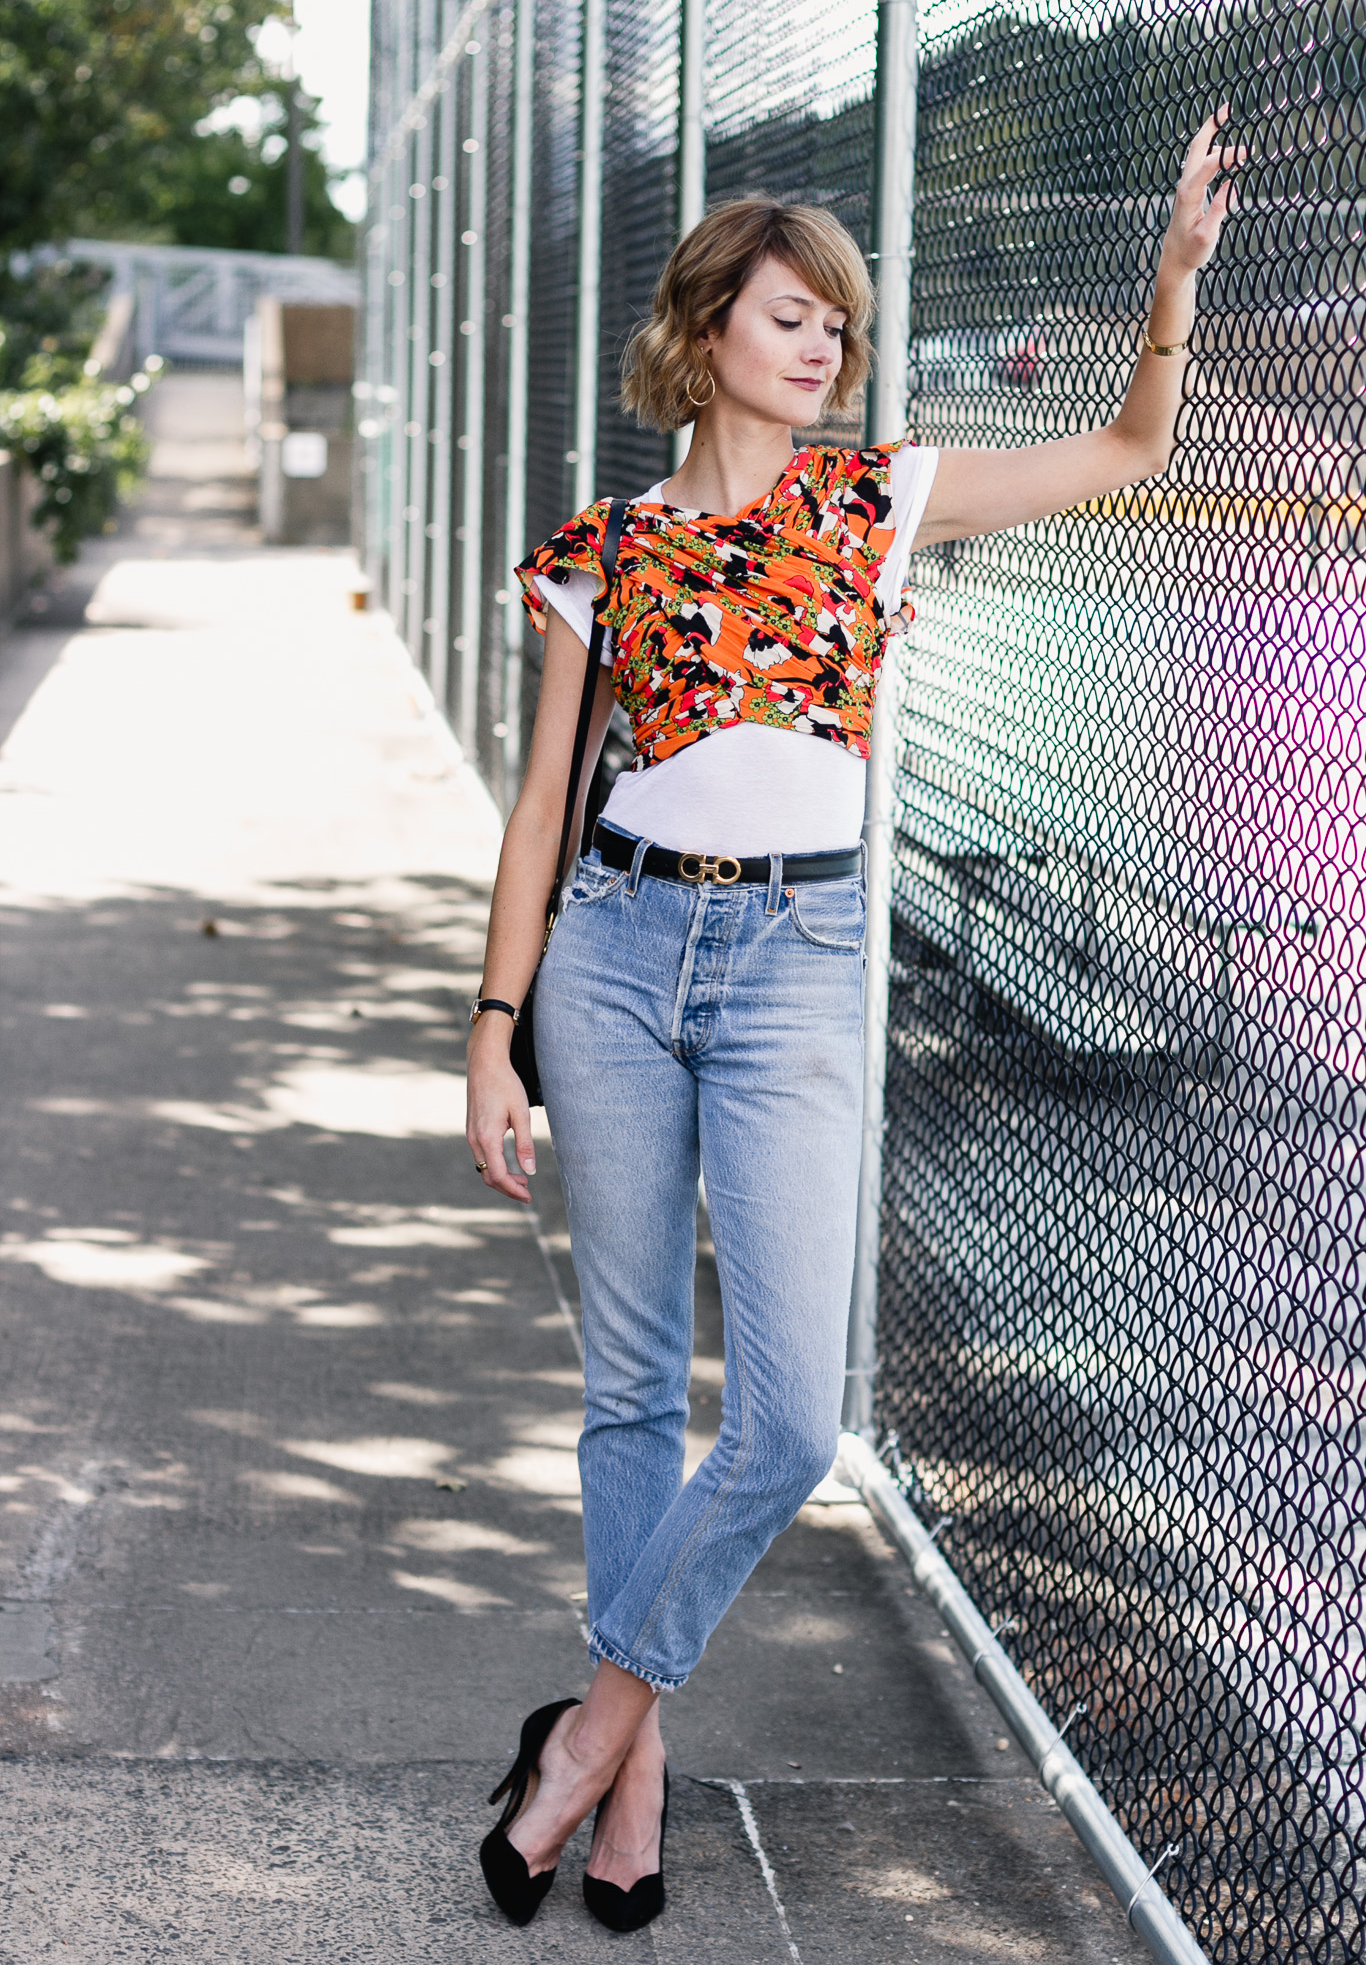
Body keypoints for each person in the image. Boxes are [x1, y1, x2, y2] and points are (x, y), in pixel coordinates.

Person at [466, 109, 1243, 1930]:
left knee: (791, 1418)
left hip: (794, 967)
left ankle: (584, 1733)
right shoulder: (606, 545)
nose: (824, 343)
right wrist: (490, 1027)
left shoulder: (877, 499)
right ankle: (639, 1782)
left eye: (840, 320)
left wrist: (1171, 289)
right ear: (706, 326)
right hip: (609, 953)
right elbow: (539, 804)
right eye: (791, 311)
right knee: (631, 1389)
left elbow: (1132, 449)